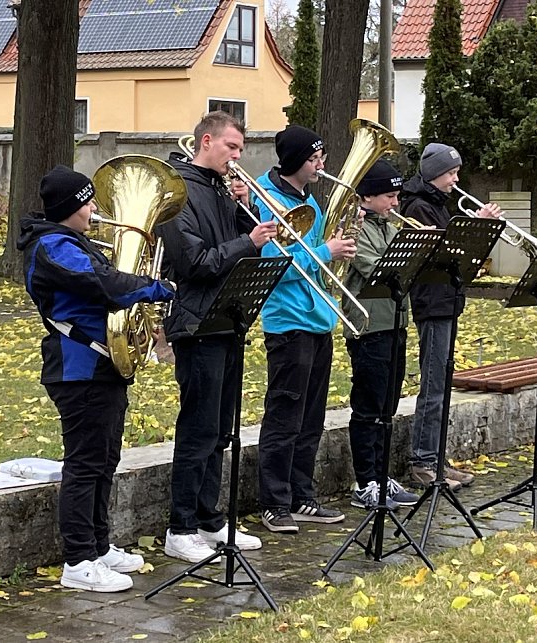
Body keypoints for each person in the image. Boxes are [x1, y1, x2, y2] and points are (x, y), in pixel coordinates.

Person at [18, 164, 177, 592]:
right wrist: (153, 287)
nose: (94, 208)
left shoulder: (75, 242)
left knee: (105, 461)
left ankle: (99, 546)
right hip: (77, 369)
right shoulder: (52, 247)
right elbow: (106, 286)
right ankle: (78, 560)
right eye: (87, 201)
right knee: (85, 465)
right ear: (69, 207)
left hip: (101, 366)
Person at [156, 111, 278, 563]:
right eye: (232, 148)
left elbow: (230, 252)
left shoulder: (218, 190)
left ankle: (209, 519)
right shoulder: (178, 193)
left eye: (241, 150)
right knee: (199, 428)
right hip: (196, 323)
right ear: (206, 141)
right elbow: (195, 263)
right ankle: (180, 525)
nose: (238, 156)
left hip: (228, 319)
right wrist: (249, 240)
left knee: (222, 431)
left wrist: (240, 208)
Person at [254, 125, 357, 534]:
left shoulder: (306, 196)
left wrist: (337, 240)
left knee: (311, 417)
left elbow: (313, 258)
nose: (321, 164)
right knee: (284, 414)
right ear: (297, 160)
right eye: (315, 158)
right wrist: (325, 251)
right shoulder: (267, 199)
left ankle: (301, 495)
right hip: (287, 321)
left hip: (318, 319)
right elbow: (279, 267)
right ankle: (274, 502)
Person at [400, 143, 501, 491]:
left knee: (442, 382)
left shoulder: (437, 205)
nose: (455, 179)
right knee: (433, 385)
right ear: (433, 174)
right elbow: (440, 252)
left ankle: (436, 458)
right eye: (450, 173)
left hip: (447, 299)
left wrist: (477, 230)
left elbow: (458, 253)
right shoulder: (418, 207)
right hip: (432, 301)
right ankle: (423, 461)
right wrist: (475, 227)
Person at [341, 159, 420, 510]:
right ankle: (365, 481)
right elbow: (375, 267)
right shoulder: (356, 228)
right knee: (368, 406)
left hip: (396, 321)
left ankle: (382, 474)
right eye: (389, 195)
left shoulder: (389, 226)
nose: (395, 203)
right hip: (369, 324)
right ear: (368, 196)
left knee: (388, 406)